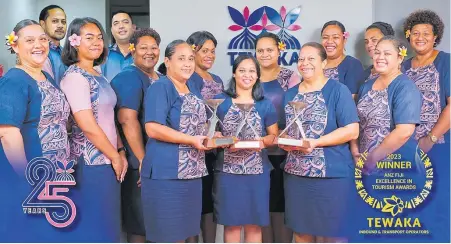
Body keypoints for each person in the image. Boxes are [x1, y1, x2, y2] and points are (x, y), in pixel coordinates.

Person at [0, 19, 71, 242]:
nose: (38, 44)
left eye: (42, 39)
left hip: (55, 174)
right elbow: (7, 132)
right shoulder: (14, 80)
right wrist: (26, 177)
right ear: (15, 46)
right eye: (29, 40)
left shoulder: (45, 76)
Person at [281, 42, 359, 242]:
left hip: (332, 176)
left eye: (311, 59)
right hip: (296, 175)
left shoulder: (338, 90)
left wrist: (315, 142)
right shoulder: (290, 94)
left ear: (324, 62)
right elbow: (287, 129)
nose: (304, 63)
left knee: (334, 234)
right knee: (300, 232)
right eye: (300, 59)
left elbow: (352, 130)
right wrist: (283, 141)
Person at [60, 17, 127, 242]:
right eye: (89, 37)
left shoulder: (98, 74)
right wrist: (113, 156)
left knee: (109, 223)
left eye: (100, 37)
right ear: (75, 42)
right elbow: (87, 125)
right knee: (95, 224)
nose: (97, 42)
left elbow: (110, 118)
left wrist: (120, 152)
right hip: (90, 162)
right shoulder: (75, 77)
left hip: (108, 158)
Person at [141, 40, 212, 242]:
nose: (187, 63)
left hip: (192, 173)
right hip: (166, 174)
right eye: (181, 59)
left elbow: (196, 123)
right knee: (168, 236)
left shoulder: (192, 87)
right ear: (167, 61)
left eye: (190, 58)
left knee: (186, 235)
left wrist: (210, 135)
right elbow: (152, 127)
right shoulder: (161, 87)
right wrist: (191, 140)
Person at [214, 54, 278, 243]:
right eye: (242, 70)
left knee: (254, 224)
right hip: (227, 173)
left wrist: (263, 142)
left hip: (257, 173)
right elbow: (209, 134)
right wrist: (218, 138)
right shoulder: (220, 101)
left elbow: (273, 137)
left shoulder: (265, 103)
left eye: (252, 71)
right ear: (234, 73)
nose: (247, 75)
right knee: (231, 224)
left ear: (257, 76)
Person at [402, 9, 450, 242]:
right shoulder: (403, 66)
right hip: (406, 148)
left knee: (438, 206)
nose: (420, 37)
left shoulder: (446, 62)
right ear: (408, 35)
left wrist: (430, 139)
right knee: (410, 207)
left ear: (435, 37)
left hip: (439, 147)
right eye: (415, 33)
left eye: (426, 33)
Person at [111, 27, 161, 243]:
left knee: (156, 224)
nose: (149, 52)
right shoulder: (129, 77)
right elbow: (126, 119)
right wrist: (142, 160)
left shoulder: (159, 77)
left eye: (154, 47)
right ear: (132, 49)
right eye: (143, 48)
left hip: (158, 162)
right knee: (140, 226)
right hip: (138, 163)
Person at [254, 32, 299, 243]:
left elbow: (298, 114)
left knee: (281, 204)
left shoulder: (290, 77)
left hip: (283, 152)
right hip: (253, 153)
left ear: (279, 50)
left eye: (269, 49)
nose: (265, 54)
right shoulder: (248, 76)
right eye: (260, 50)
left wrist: (280, 136)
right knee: (261, 205)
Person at [186, 30, 224, 243]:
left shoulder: (217, 79)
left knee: (210, 200)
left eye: (212, 51)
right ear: (193, 51)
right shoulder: (187, 77)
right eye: (204, 50)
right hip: (193, 148)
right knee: (194, 201)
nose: (209, 55)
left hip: (215, 149)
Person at [321, 20, 364, 97]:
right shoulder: (315, 63)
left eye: (335, 37)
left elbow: (351, 100)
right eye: (325, 37)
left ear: (344, 40)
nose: (330, 41)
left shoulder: (352, 64)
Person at [101, 10, 135, 81]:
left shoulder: (142, 53)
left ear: (133, 27)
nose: (121, 26)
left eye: (125, 22)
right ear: (112, 30)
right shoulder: (103, 54)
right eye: (116, 23)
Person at [39, 4, 67, 85]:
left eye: (63, 22)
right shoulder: (39, 53)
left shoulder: (65, 52)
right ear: (42, 24)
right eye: (55, 21)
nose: (60, 26)